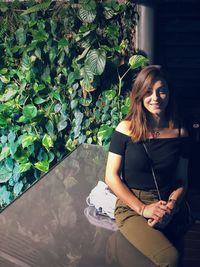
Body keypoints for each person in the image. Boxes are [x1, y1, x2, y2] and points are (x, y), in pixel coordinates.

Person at [105, 65, 191, 267]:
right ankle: (114, 248)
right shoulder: (126, 129)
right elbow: (111, 176)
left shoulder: (180, 133)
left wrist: (171, 205)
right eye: (149, 92)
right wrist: (143, 209)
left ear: (169, 93)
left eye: (161, 90)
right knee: (170, 259)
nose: (156, 97)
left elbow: (182, 180)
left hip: (167, 204)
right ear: (139, 95)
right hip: (133, 205)